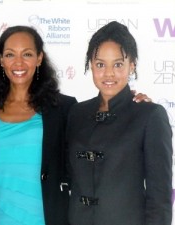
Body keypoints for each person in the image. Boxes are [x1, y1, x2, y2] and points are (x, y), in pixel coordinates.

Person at [0, 25, 151, 225]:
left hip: (47, 218)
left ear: (39, 58)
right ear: (0, 59)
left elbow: (99, 135)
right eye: (9, 54)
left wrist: (133, 105)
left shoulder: (64, 108)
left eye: (27, 54)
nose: (18, 62)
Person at [66, 21, 173, 225]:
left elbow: (159, 197)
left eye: (118, 64)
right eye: (100, 64)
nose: (108, 73)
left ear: (131, 65)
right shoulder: (77, 113)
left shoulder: (150, 116)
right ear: (90, 64)